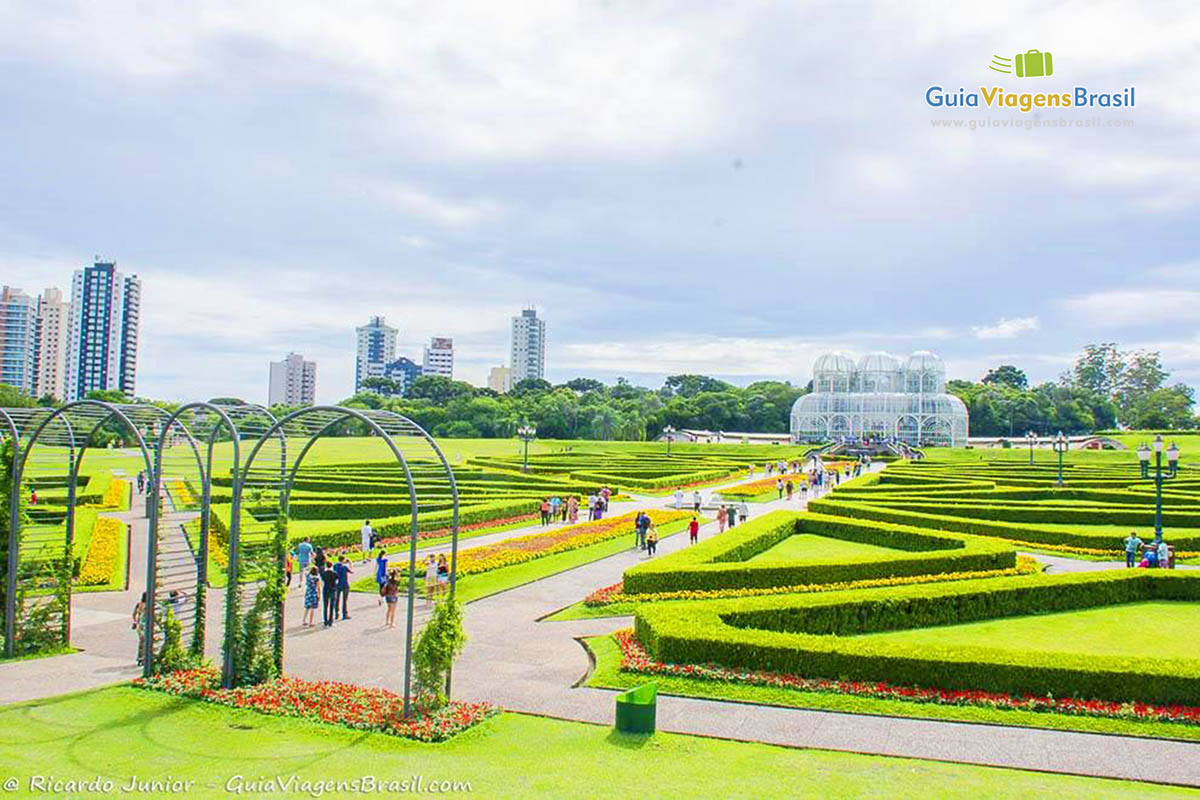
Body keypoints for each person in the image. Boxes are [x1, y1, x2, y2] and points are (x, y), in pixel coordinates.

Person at [321, 561, 339, 627]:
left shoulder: (323, 573)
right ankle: (330, 621)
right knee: (332, 606)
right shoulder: (334, 573)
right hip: (333, 589)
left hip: (325, 589)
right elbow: (337, 581)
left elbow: (322, 581)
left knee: (325, 606)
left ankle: (325, 621)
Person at [132, 592, 147, 665]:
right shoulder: (148, 606)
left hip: (139, 625)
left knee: (141, 642)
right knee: (145, 642)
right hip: (145, 625)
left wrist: (135, 621)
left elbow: (134, 614)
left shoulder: (139, 604)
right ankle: (143, 658)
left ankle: (140, 658)